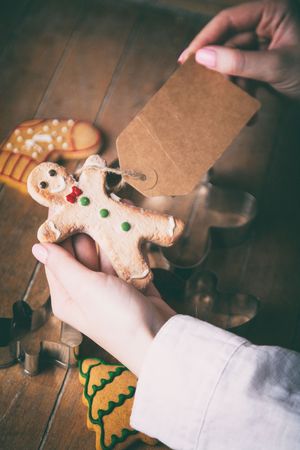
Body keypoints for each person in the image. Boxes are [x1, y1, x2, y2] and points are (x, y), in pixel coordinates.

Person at [32, 1, 300, 448]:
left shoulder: (94, 179)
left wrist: (148, 342)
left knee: (156, 226)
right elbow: (53, 229)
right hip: (117, 240)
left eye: (54, 173)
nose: (57, 178)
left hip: (134, 221)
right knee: (134, 257)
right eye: (48, 180)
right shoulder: (67, 212)